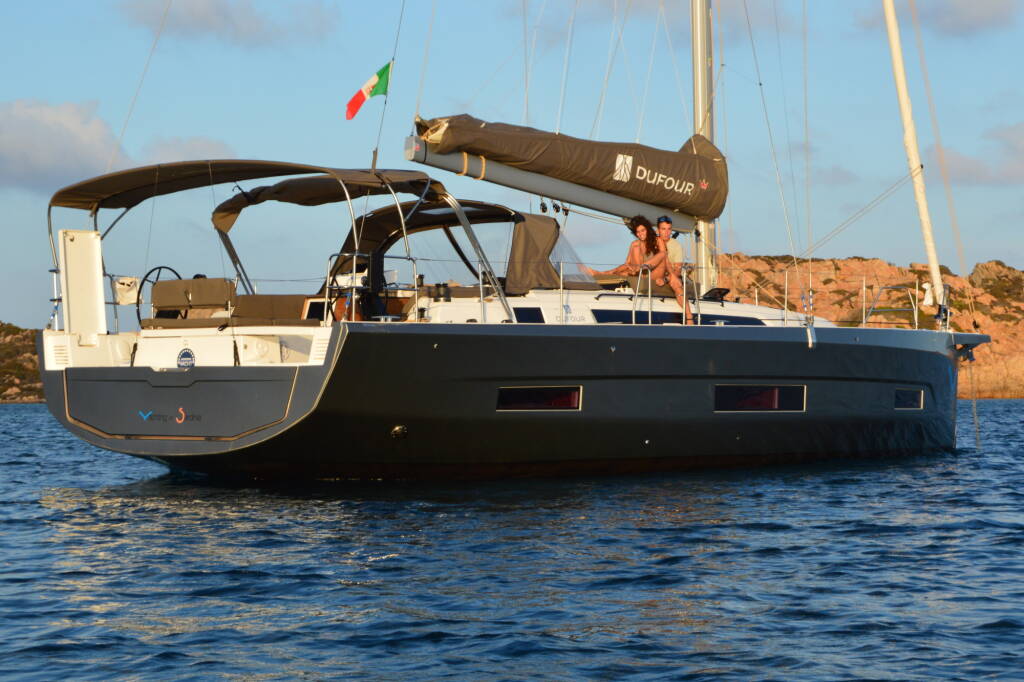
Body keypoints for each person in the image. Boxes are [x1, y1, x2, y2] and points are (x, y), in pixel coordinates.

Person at [585, 216, 662, 278]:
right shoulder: (635, 243)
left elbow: (663, 258)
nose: (640, 234)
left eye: (643, 230)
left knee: (636, 248)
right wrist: (615, 271)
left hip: (650, 272)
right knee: (622, 273)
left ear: (648, 229)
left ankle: (602, 274)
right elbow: (627, 263)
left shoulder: (657, 241)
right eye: (638, 232)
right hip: (636, 271)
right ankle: (603, 273)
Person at [655, 215, 693, 323]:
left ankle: (689, 317)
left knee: (676, 282)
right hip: (654, 272)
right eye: (663, 229)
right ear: (658, 230)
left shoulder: (676, 245)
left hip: (670, 275)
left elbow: (677, 271)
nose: (666, 232)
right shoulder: (651, 242)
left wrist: (665, 279)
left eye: (669, 229)